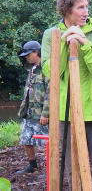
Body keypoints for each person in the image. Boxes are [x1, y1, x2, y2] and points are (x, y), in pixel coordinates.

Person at [41, 0, 92, 191]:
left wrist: (84, 43)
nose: (86, 12)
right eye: (80, 7)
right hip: (67, 114)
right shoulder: (51, 35)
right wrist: (65, 42)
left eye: (86, 7)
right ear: (66, 10)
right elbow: (51, 72)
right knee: (74, 172)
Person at [16, 41, 49, 175]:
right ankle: (32, 165)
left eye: (28, 54)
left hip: (41, 113)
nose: (26, 57)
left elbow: (50, 92)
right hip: (29, 112)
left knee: (46, 141)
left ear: (36, 52)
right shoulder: (31, 70)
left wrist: (46, 113)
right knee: (26, 138)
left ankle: (50, 169)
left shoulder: (46, 68)